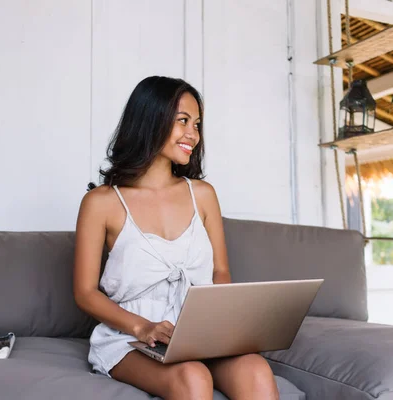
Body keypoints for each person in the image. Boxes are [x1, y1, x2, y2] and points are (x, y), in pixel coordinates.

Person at [73, 76, 279, 400]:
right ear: (151, 119)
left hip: (200, 333)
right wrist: (142, 327)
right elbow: (85, 293)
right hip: (131, 335)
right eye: (183, 121)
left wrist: (218, 324)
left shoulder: (204, 195)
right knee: (193, 377)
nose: (193, 135)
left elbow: (220, 272)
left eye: (196, 124)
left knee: (257, 371)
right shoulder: (101, 203)